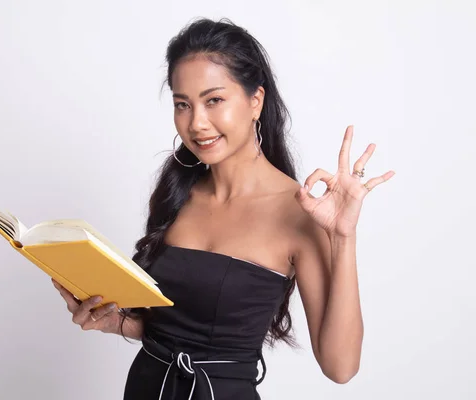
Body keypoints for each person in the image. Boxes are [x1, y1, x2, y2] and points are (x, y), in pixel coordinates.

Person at [52, 17, 395, 400]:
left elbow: (340, 367)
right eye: (183, 105)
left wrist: (343, 238)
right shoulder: (176, 191)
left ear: (255, 101)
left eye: (214, 100)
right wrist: (115, 322)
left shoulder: (301, 212)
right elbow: (175, 326)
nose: (197, 123)